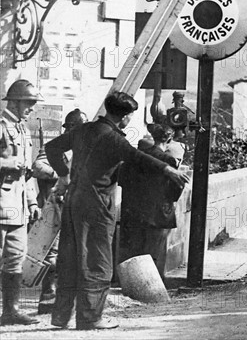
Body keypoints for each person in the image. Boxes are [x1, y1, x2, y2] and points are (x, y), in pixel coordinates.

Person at [45, 92, 189, 330]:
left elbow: (52, 148)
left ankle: (60, 317)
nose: (130, 120)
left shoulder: (84, 129)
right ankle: (90, 318)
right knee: (98, 259)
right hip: (97, 203)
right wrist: (169, 170)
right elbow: (137, 157)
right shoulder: (112, 138)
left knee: (69, 258)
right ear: (123, 117)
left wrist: (64, 174)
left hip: (74, 200)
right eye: (130, 116)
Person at [31, 109, 88, 314]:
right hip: (53, 208)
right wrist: (62, 175)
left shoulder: (83, 148)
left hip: (75, 208)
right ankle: (48, 296)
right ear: (71, 128)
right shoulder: (58, 147)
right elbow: (38, 166)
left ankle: (68, 300)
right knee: (52, 255)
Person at [0, 79, 42, 326]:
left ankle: (11, 310)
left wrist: (33, 202)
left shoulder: (23, 131)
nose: (32, 108)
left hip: (18, 208)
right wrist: (5, 163)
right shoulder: (1, 126)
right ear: (14, 102)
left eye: (34, 103)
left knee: (15, 258)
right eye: (28, 103)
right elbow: (14, 166)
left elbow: (26, 173)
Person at [118, 124, 183, 278]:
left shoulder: (134, 159)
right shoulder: (168, 160)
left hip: (134, 211)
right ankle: (154, 289)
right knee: (155, 253)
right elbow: (177, 186)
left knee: (134, 253)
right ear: (169, 139)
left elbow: (122, 181)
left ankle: (134, 286)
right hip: (159, 211)